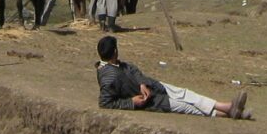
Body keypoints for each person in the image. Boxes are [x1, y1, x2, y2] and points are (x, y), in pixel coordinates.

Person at [95, 35, 250, 118]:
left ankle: (228, 108)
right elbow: (105, 103)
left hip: (155, 86)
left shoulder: (119, 65)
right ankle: (229, 111)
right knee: (187, 107)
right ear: (114, 51)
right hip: (152, 102)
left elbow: (133, 70)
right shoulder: (108, 77)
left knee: (186, 94)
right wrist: (131, 102)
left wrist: (142, 83)